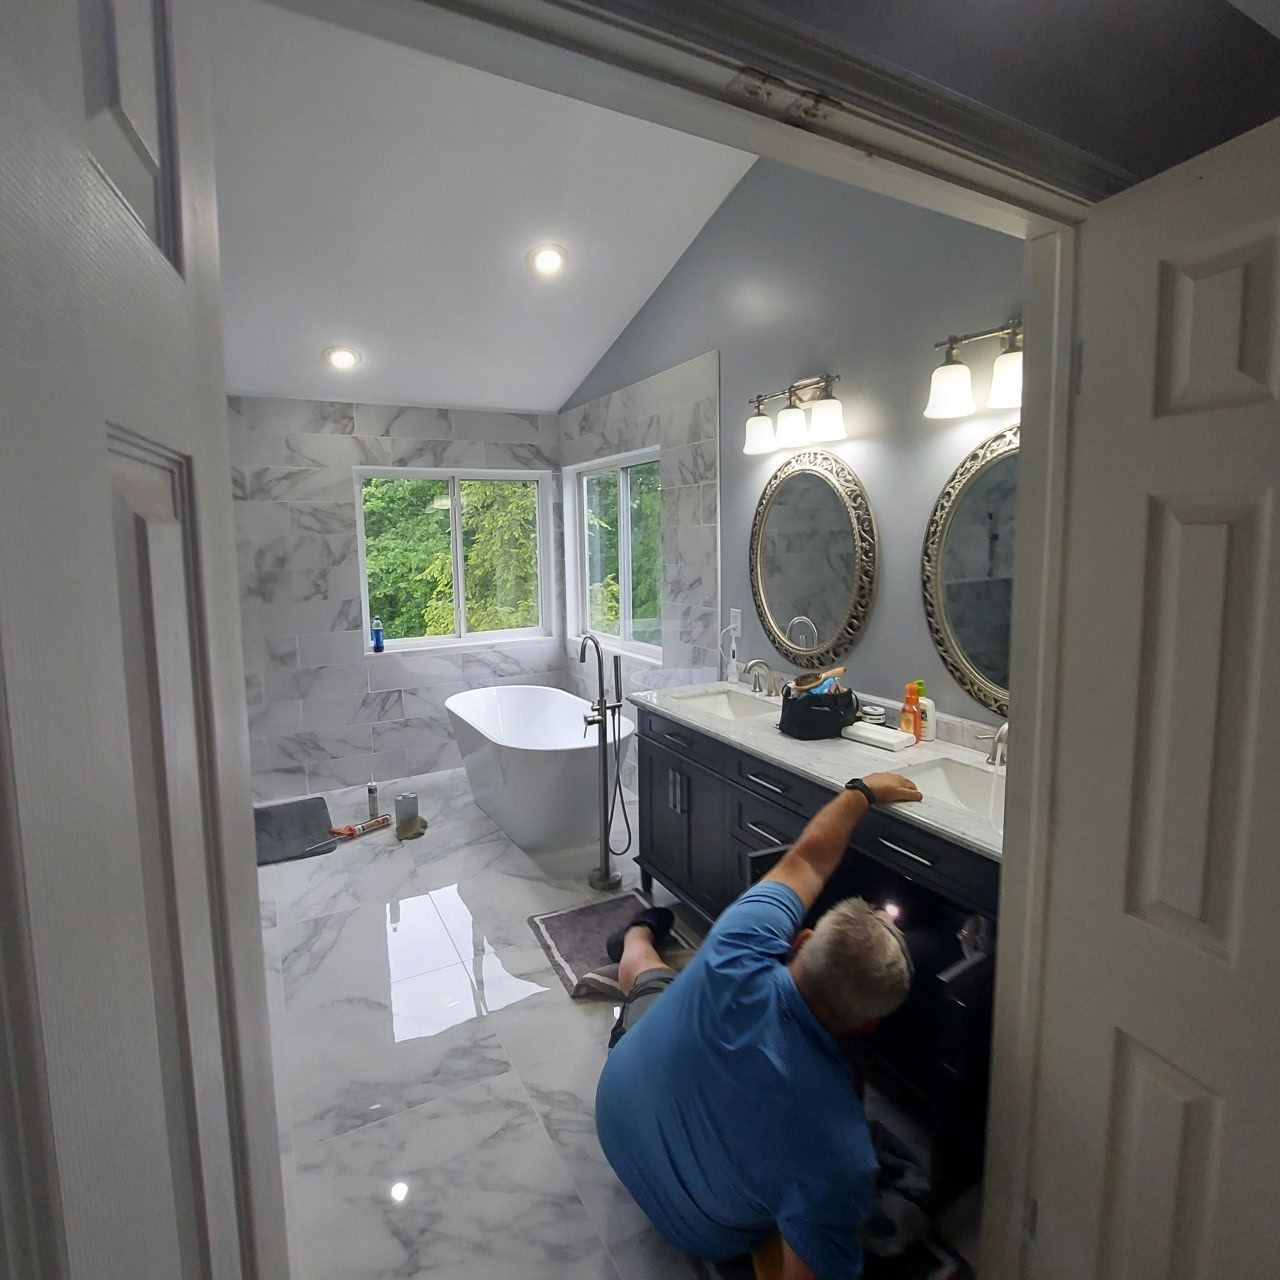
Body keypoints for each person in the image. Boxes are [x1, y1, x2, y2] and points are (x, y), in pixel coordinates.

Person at [595, 773, 923, 1280]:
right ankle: (636, 933)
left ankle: (637, 933)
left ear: (801, 941)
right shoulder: (840, 1153)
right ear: (871, 1026)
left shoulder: (742, 941)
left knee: (651, 977)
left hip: (615, 1109)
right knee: (654, 980)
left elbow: (809, 857)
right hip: (694, 1228)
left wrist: (862, 792)